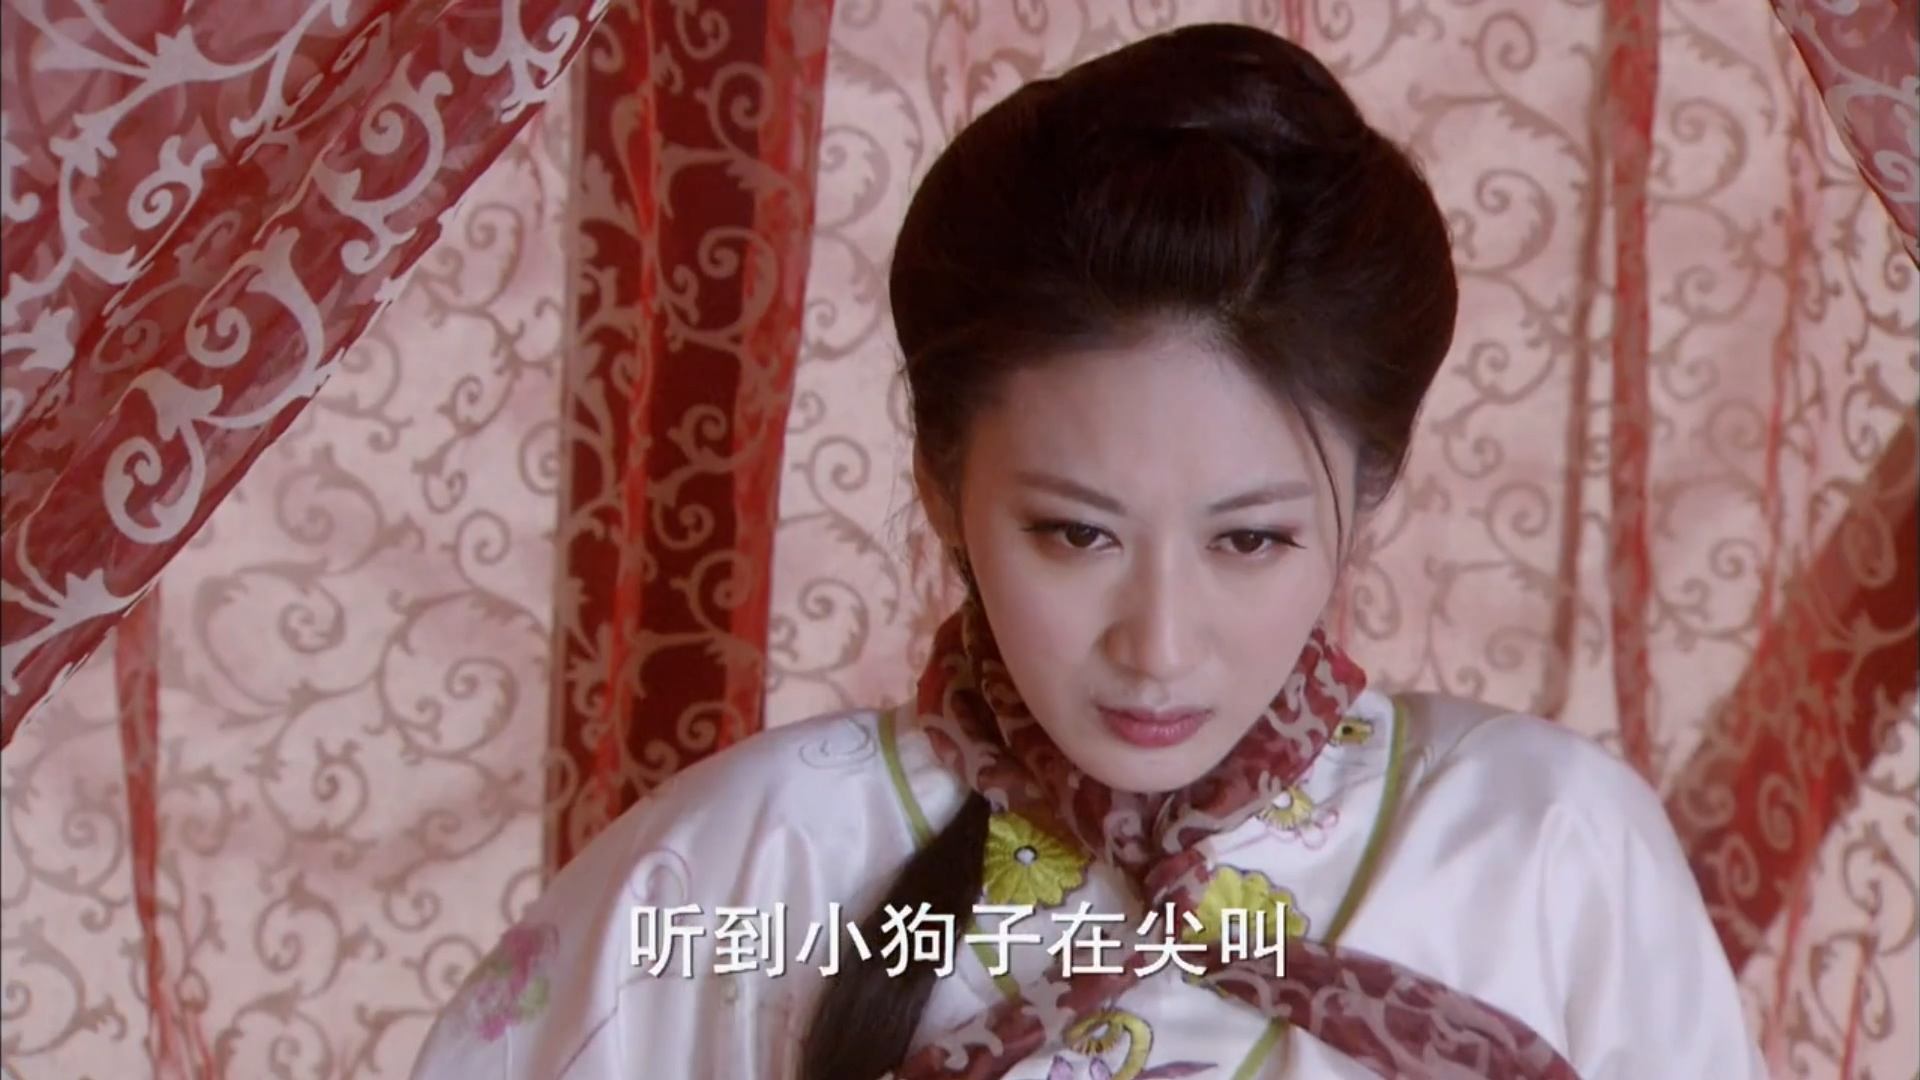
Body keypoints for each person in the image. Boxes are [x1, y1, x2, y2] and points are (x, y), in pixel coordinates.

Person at [408, 23, 1766, 1080]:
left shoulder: (1547, 846)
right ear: (944, 488)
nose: (1158, 644)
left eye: (1251, 539)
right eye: (1075, 532)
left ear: (1371, 494)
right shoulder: (754, 863)